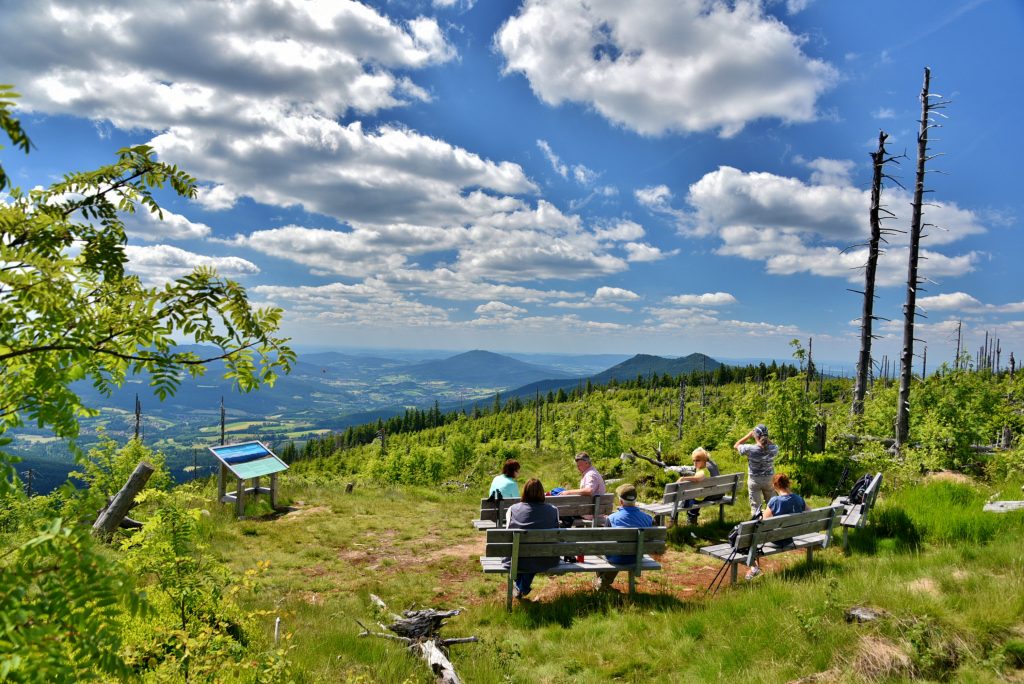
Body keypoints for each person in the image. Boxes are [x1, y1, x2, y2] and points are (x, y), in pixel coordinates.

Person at [503, 478, 560, 599]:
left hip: (517, 557)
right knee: (535, 553)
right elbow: (556, 536)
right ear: (541, 492)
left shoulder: (512, 509)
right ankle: (521, 587)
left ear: (524, 492)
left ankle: (520, 587)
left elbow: (508, 536)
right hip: (546, 558)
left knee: (525, 553)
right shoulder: (554, 510)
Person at [745, 472, 807, 580]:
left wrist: (761, 515)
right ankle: (755, 568)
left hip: (776, 541)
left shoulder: (775, 501)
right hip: (790, 538)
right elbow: (809, 512)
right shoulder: (798, 498)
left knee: (750, 538)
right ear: (788, 484)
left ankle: (754, 568)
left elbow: (763, 522)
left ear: (774, 486)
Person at [596, 483, 653, 590]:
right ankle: (603, 583)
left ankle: (603, 582)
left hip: (616, 558)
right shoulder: (648, 518)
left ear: (621, 502)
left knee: (600, 549)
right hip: (637, 557)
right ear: (635, 501)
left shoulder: (612, 518)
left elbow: (603, 542)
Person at [734, 423, 778, 518]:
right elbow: (773, 445)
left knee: (756, 508)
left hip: (754, 480)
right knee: (773, 505)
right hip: (769, 480)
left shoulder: (750, 448)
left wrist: (749, 435)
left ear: (755, 435)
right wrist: (765, 439)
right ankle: (773, 524)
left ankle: (756, 527)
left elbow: (736, 445)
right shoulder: (773, 449)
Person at [556, 451, 606, 526]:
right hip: (593, 510)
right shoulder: (591, 472)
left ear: (587, 463)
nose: (578, 467)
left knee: (562, 511)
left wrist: (568, 492)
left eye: (580, 465)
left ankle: (566, 533)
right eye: (577, 465)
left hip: (591, 513)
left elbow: (589, 490)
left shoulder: (590, 474)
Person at [676, 447, 712, 525]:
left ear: (705, 461)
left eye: (698, 460)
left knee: (676, 502)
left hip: (697, 498)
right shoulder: (703, 469)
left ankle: (675, 520)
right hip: (700, 496)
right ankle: (692, 519)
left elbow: (698, 478)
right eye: (694, 460)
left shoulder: (703, 471)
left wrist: (683, 478)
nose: (695, 462)